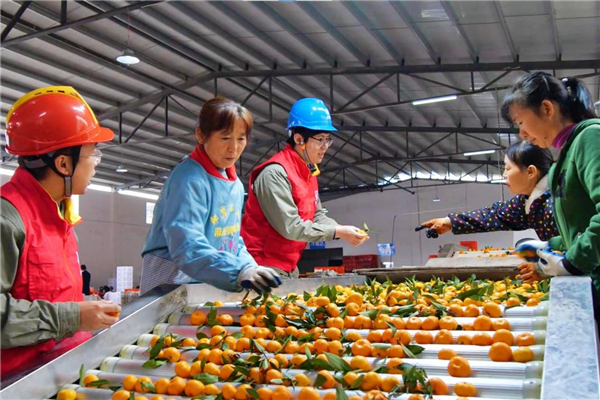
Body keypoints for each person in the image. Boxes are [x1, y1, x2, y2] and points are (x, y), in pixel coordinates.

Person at [1, 86, 121, 377]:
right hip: (22, 381)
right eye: (93, 154)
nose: (96, 164)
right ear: (63, 163)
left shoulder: (60, 215)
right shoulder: (9, 218)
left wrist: (85, 310)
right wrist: (73, 316)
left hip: (65, 368)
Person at [140, 97, 282, 294]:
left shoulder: (234, 185)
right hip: (170, 274)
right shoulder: (188, 179)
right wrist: (238, 271)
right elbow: (186, 245)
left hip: (208, 274)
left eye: (241, 139)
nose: (234, 148)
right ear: (201, 135)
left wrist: (251, 267)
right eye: (225, 138)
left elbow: (231, 239)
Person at [241, 98, 369, 278]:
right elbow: (290, 227)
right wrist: (337, 232)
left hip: (290, 266)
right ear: (299, 139)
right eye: (320, 139)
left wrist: (342, 229)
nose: (325, 147)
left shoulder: (308, 173)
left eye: (328, 139)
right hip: (262, 266)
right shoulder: (275, 174)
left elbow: (316, 215)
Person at [502, 72, 599, 300]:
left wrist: (572, 263)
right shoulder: (562, 160)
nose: (522, 134)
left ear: (547, 109)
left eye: (521, 122)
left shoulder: (591, 138)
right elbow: (579, 226)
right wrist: (549, 244)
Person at [418, 140, 557, 241]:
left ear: (530, 172)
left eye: (508, 168)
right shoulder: (528, 201)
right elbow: (493, 215)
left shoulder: (558, 201)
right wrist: (449, 221)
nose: (504, 174)